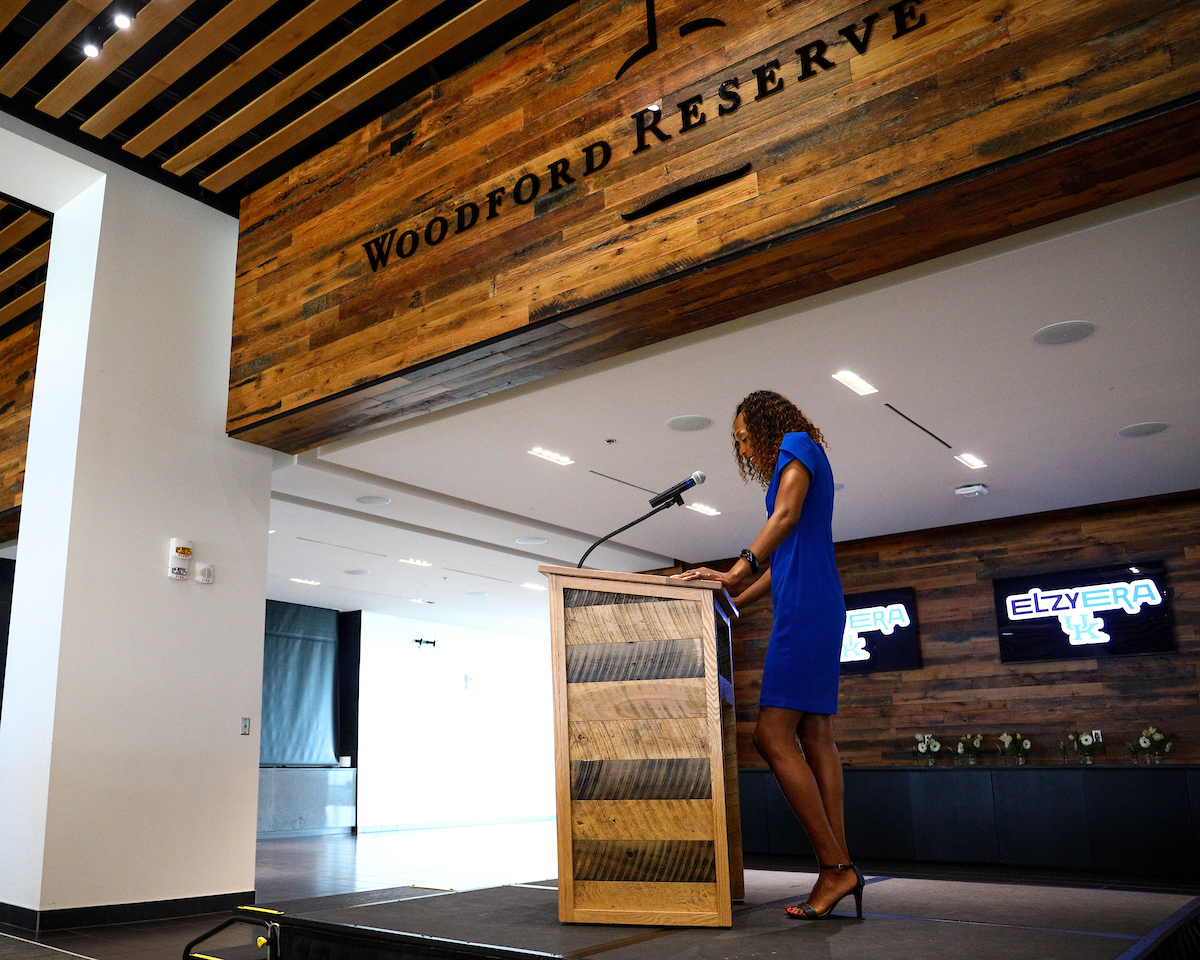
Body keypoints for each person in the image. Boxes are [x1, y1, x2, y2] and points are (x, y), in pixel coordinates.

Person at [674, 390, 862, 920]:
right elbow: (783, 564)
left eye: (743, 437)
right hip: (813, 599)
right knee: (815, 735)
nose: (743, 448)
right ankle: (842, 865)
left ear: (765, 424)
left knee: (770, 735)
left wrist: (735, 569)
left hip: (806, 609)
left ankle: (835, 868)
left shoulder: (798, 445)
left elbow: (783, 517)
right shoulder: (803, 456)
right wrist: (732, 597)